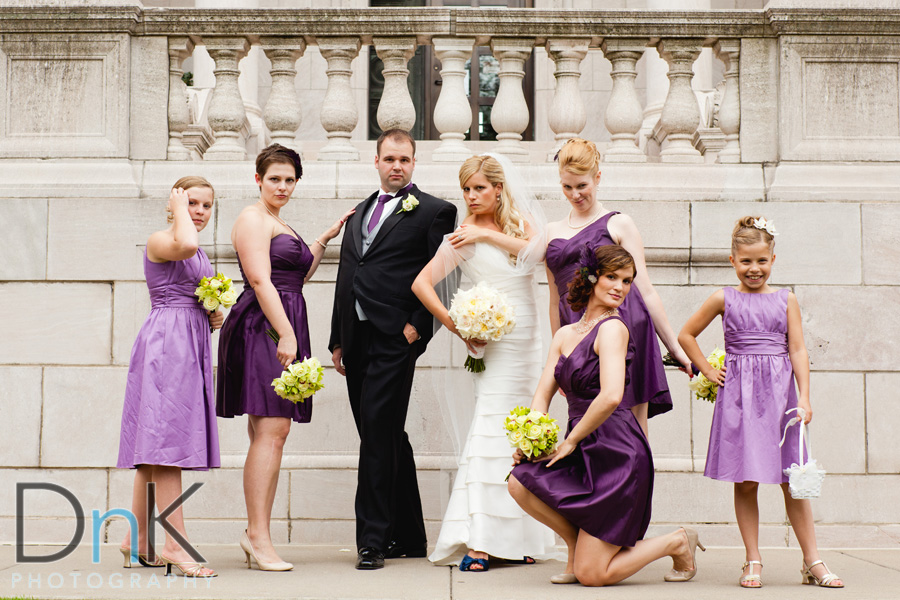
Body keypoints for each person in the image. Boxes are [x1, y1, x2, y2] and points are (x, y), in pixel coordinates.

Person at [508, 245, 704, 587]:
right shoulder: (564, 335)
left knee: (592, 575)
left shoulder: (614, 328)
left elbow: (612, 396)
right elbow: (542, 393)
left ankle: (676, 541)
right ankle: (575, 547)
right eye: (612, 277)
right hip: (581, 444)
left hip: (617, 451)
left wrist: (569, 441)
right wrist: (532, 439)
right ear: (591, 277)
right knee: (519, 481)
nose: (620, 287)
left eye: (627, 281)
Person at [678, 216, 843, 589]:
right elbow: (686, 334)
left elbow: (798, 349)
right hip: (740, 398)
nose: (755, 269)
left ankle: (812, 561)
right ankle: (752, 559)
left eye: (762, 261)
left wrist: (804, 398)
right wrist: (706, 370)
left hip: (781, 398)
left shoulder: (786, 299)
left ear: (773, 259)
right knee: (747, 480)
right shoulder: (724, 298)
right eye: (747, 261)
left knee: (793, 481)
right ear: (732, 261)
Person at [412, 154, 556, 572]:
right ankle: (479, 538)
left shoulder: (521, 223)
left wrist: (489, 236)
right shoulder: (461, 238)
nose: (472, 196)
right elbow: (421, 283)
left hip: (528, 340)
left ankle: (520, 537)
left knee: (524, 433)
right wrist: (457, 326)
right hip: (493, 346)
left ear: (498, 189)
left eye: (479, 188)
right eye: (467, 190)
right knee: (490, 428)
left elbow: (540, 252)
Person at [217, 144, 352, 571]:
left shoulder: (278, 221)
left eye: (289, 179)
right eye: (274, 178)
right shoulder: (252, 218)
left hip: (282, 319)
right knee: (272, 431)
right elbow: (259, 278)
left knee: (272, 433)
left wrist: (323, 239)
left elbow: (296, 275)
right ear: (258, 179)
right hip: (264, 327)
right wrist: (288, 332)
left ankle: (256, 533)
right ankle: (258, 537)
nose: (282, 186)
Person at [329, 129, 457, 570]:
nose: (396, 165)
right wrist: (338, 338)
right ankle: (410, 535)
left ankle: (372, 540)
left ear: (414, 162)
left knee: (378, 433)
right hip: (357, 338)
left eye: (404, 158)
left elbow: (447, 275)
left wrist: (417, 328)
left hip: (394, 338)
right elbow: (349, 274)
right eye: (389, 158)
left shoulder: (435, 212)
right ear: (377, 161)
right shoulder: (359, 211)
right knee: (382, 434)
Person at [545, 138, 690, 434]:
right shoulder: (550, 232)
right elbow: (553, 300)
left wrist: (675, 349)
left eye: (582, 185)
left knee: (630, 425)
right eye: (567, 187)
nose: (575, 194)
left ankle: (639, 477)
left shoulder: (619, 223)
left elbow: (645, 290)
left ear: (598, 178)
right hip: (577, 327)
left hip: (625, 326)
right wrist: (559, 359)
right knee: (585, 422)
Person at [117, 176, 221, 578]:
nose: (198, 211)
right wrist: (177, 208)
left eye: (206, 206)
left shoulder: (198, 251)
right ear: (173, 204)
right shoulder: (161, 239)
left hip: (188, 341)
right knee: (169, 445)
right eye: (191, 202)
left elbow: (198, 283)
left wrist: (213, 312)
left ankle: (135, 540)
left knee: (155, 446)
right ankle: (176, 544)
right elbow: (186, 244)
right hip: (166, 345)